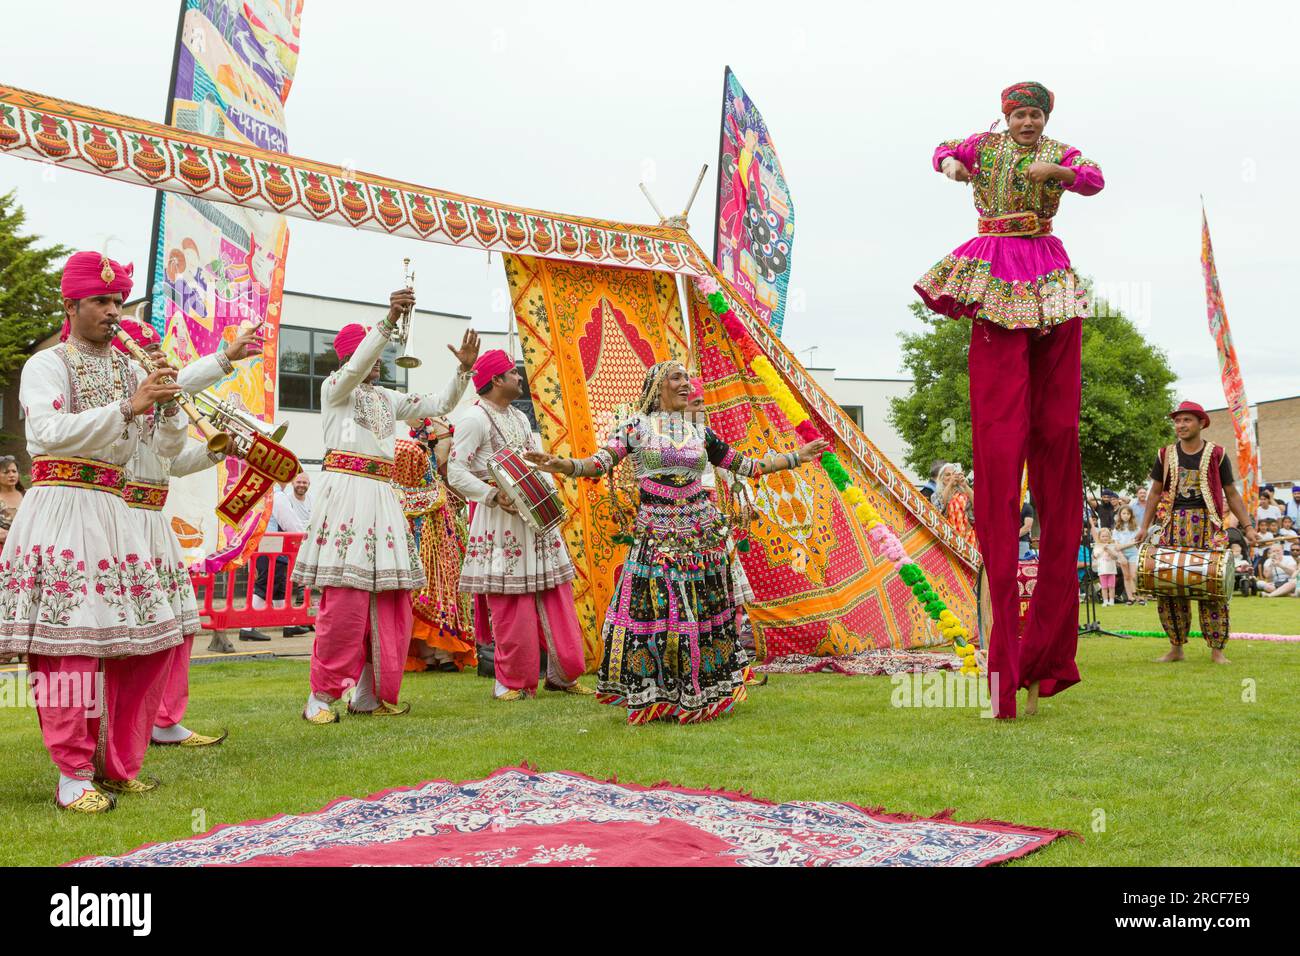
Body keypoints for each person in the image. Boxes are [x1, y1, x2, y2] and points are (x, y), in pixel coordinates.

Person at [915, 81, 1103, 718]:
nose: (1028, 123)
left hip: (1042, 264)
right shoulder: (987, 147)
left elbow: (1095, 178)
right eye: (1020, 114)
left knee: (1054, 428)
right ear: (1006, 116)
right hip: (996, 261)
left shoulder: (1059, 149)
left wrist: (1063, 172)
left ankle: (1047, 650)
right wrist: (949, 164)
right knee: (1000, 425)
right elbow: (942, 147)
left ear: (1046, 118)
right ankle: (1003, 657)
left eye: (1036, 115)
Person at [526, 360, 829, 724]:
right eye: (677, 377)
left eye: (687, 377)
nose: (686, 383)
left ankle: (698, 693)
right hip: (656, 535)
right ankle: (657, 695)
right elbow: (599, 463)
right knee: (658, 613)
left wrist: (796, 457)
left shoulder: (701, 431)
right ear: (658, 386)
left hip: (702, 537)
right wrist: (563, 465)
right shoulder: (636, 428)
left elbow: (747, 466)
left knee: (701, 615)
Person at [0, 251, 186, 812]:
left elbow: (167, 451)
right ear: (72, 304)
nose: (113, 312)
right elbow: (51, 432)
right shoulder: (46, 364)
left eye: (118, 302)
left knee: (147, 643)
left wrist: (171, 410)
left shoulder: (132, 368)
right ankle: (72, 772)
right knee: (70, 649)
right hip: (60, 505)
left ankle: (117, 762)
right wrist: (129, 407)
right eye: (101, 302)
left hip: (114, 508)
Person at [293, 290, 479, 723]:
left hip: (382, 495)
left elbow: (437, 406)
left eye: (377, 354)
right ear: (349, 356)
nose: (375, 361)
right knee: (346, 601)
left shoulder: (385, 398)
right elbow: (357, 367)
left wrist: (463, 370)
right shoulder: (335, 389)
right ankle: (319, 698)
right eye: (366, 353)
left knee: (389, 599)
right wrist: (389, 320)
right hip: (348, 495)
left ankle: (368, 694)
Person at [112, 316, 261, 748]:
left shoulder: (159, 410)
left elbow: (171, 464)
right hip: (121, 520)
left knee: (178, 626)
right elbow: (183, 384)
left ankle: (164, 719)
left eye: (157, 352)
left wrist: (218, 452)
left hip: (154, 522)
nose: (158, 360)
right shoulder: (117, 401)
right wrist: (224, 359)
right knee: (132, 627)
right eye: (148, 353)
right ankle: (126, 720)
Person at [448, 350, 590, 701]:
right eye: (513, 373)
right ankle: (511, 682)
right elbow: (455, 471)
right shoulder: (473, 419)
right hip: (500, 520)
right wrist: (494, 496)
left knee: (556, 594)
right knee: (511, 603)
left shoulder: (519, 418)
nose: (519, 378)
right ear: (496, 380)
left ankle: (563, 674)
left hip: (536, 521)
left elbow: (531, 462)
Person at [1137, 401, 1258, 664]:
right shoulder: (1165, 454)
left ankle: (1217, 650)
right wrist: (1144, 527)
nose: (1180, 425)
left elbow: (1232, 493)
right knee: (1169, 587)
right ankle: (1176, 648)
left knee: (1212, 586)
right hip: (1172, 527)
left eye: (1186, 420)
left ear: (1201, 423)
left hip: (1208, 528)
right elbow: (1155, 492)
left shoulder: (1217, 454)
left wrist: (1247, 527)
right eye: (1177, 421)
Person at [402, 417, 475, 672]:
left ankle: (440, 652)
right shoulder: (413, 466)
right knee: (430, 582)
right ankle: (431, 652)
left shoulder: (442, 479)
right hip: (425, 530)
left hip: (440, 528)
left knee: (442, 581)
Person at [241, 471, 314, 641]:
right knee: (265, 585)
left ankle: (287, 624)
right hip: (270, 546)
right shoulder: (278, 496)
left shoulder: (264, 493)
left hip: (266, 546)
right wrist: (305, 537)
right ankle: (246, 627)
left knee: (279, 587)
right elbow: (290, 523)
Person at [1112, 505, 1142, 605]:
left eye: (1128, 514)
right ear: (1120, 515)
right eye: (1123, 513)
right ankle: (1130, 598)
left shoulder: (1136, 528)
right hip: (1122, 555)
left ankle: (1138, 596)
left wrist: (1122, 546)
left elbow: (1135, 542)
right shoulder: (1116, 529)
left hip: (1133, 553)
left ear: (1131, 515)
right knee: (1126, 576)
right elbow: (1117, 547)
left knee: (1133, 575)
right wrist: (1121, 552)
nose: (1126, 516)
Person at [1092, 527, 1121, 606]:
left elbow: (1115, 557)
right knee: (1104, 587)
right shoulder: (1097, 546)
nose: (1105, 538)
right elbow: (1095, 556)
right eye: (1103, 536)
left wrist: (1109, 550)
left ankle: (1111, 601)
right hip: (1102, 570)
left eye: (1106, 536)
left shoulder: (1112, 546)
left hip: (1111, 570)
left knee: (1111, 586)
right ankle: (1105, 601)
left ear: (1109, 537)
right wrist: (1102, 549)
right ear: (1099, 537)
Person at [1018, 494, 1036, 559]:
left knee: (1021, 566)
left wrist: (1011, 537)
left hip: (1021, 543)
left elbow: (1027, 527)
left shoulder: (1027, 507)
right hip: (1006, 543)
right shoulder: (1007, 507)